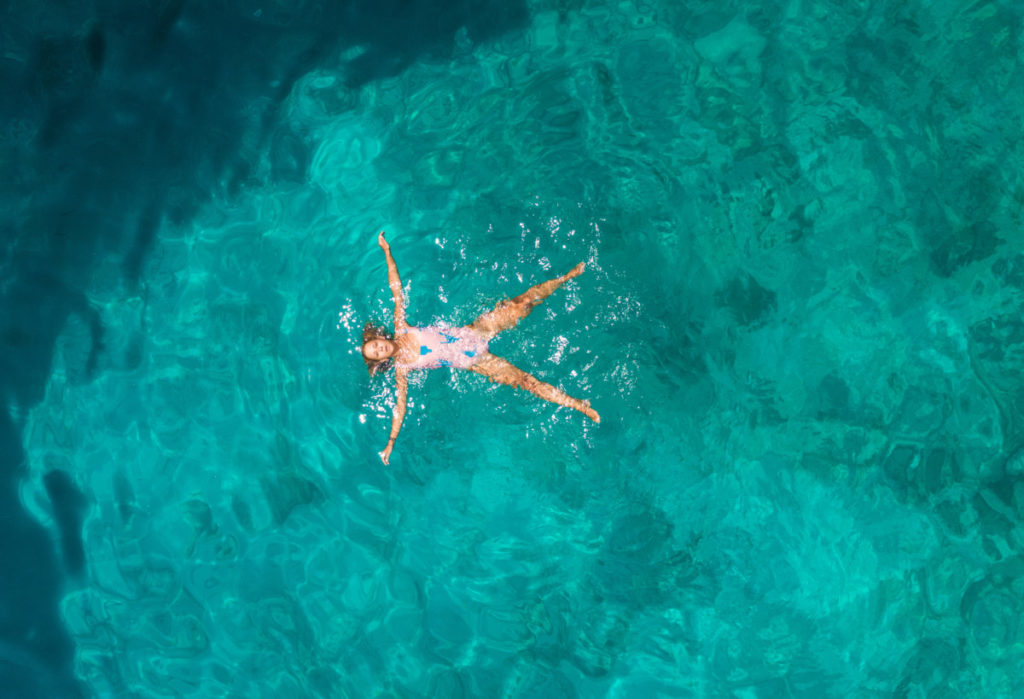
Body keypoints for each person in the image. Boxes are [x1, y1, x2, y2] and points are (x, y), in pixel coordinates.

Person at [363, 231, 600, 464]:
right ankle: (578, 405)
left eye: (375, 345)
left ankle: (566, 278)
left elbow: (396, 287)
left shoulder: (401, 326)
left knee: (524, 302)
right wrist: (391, 441)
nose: (379, 349)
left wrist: (387, 251)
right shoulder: (401, 369)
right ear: (380, 361)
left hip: (475, 331)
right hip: (474, 361)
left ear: (380, 338)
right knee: (528, 383)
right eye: (375, 354)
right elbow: (400, 407)